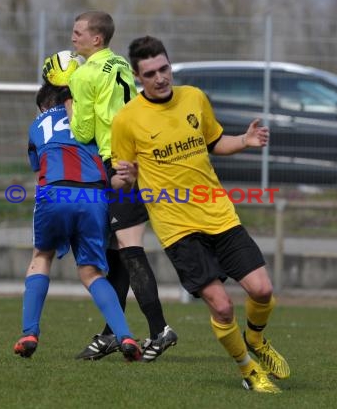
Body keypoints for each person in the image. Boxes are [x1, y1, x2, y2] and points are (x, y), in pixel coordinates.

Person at [110, 35, 290, 393]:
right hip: (177, 229)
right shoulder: (127, 120)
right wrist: (124, 178)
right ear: (137, 77)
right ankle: (248, 370)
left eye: (164, 68)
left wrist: (244, 141)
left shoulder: (194, 97)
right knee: (222, 308)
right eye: (150, 73)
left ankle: (256, 340)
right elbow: (120, 182)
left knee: (263, 290)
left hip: (219, 214)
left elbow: (213, 142)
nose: (160, 78)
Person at [65, 11, 177, 362]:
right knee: (117, 251)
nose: (73, 38)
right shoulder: (120, 64)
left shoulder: (84, 74)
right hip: (141, 156)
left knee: (129, 248)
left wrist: (69, 105)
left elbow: (82, 132)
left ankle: (159, 330)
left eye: (78, 32)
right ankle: (113, 332)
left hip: (118, 163)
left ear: (96, 39)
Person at [12, 79, 141, 362]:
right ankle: (125, 335)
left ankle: (29, 332)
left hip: (55, 192)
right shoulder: (89, 120)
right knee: (91, 272)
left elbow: (39, 169)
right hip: (94, 196)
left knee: (41, 256)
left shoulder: (36, 126)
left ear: (44, 106)